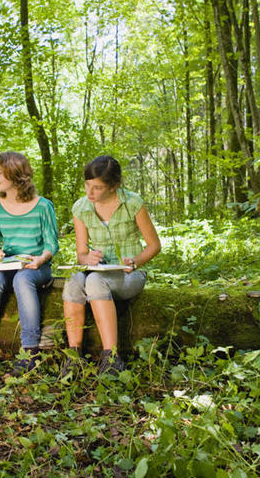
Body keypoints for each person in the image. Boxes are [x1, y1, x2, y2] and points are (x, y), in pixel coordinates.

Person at [61, 155, 161, 374]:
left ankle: (111, 357)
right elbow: (81, 253)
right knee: (73, 282)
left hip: (129, 275)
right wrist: (87, 259)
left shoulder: (132, 203)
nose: (90, 192)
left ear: (114, 186)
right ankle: (74, 356)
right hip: (97, 272)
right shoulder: (81, 208)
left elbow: (154, 246)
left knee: (95, 281)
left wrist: (135, 261)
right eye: (87, 185)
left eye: (97, 188)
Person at [0, 152, 59, 374]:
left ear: (15, 175)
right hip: (8, 265)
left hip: (36, 266)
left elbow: (51, 245)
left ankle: (30, 351)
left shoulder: (43, 206)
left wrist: (41, 259)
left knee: (24, 279)